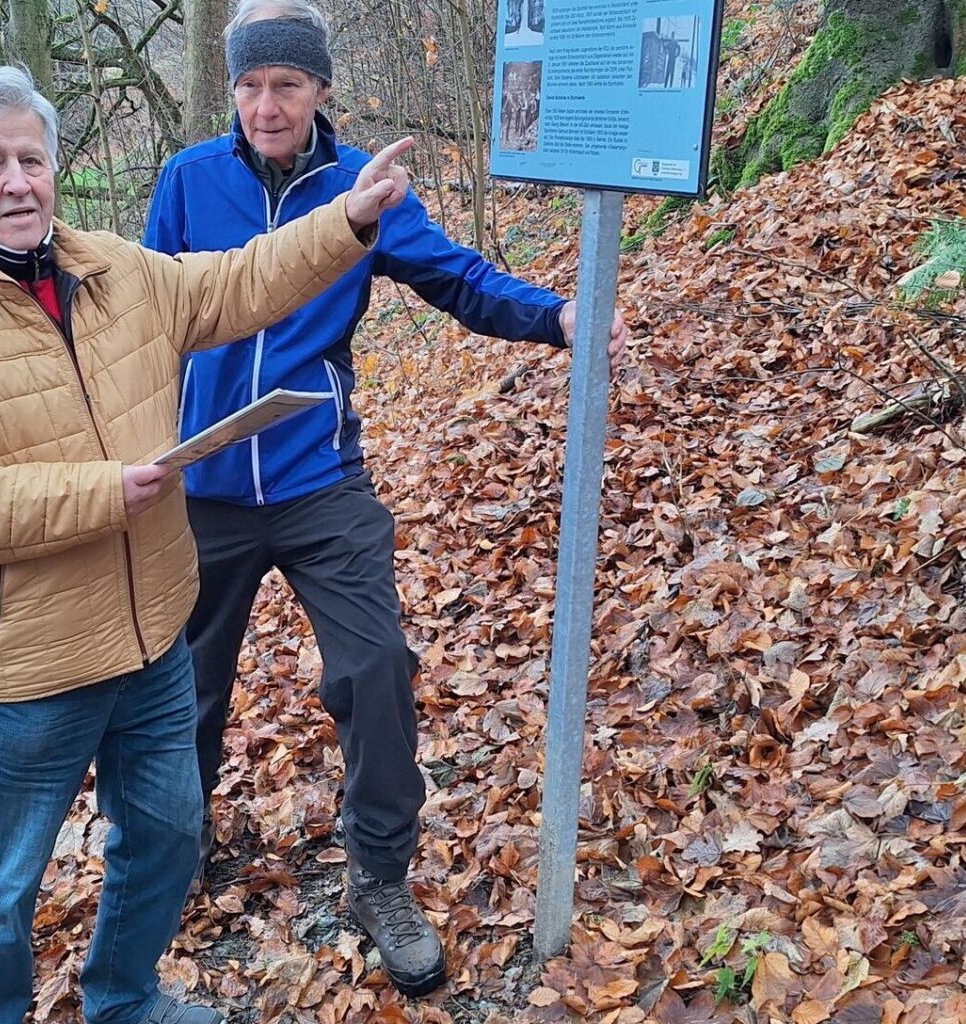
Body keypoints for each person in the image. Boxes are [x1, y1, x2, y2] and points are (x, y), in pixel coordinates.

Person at [0, 66, 412, 1024]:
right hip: (26, 666)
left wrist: (348, 220)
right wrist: (99, 495)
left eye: (32, 158)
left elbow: (239, 281)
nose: (18, 181)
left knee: (162, 837)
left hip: (153, 635)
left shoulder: (118, 271)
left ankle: (122, 997)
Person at [142, 0, 628, 998]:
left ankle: (379, 873)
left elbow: (460, 280)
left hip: (322, 479)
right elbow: (145, 313)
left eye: (284, 84)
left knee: (375, 668)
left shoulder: (364, 188)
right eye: (248, 85)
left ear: (320, 89)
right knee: (183, 690)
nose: (264, 105)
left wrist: (561, 315)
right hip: (207, 489)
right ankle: (174, 854)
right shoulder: (189, 180)